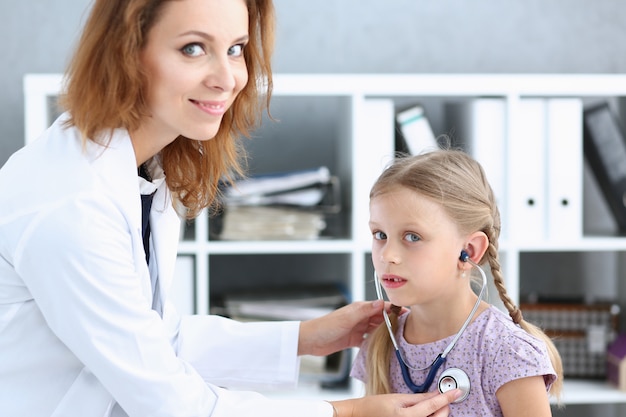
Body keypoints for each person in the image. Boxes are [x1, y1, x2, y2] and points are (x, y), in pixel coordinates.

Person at [0, 0, 461, 416]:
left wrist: (308, 337)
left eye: (236, 48)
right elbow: (172, 402)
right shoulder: (71, 204)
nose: (228, 78)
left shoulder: (140, 168)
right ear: (126, 53)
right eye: (193, 49)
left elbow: (156, 339)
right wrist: (349, 414)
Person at [350, 149, 564, 416]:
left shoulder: (507, 352)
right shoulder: (379, 345)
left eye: (412, 237)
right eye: (380, 234)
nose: (387, 255)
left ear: (469, 252)